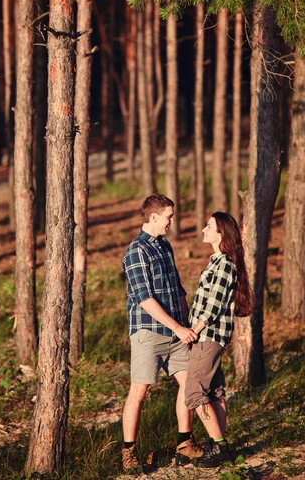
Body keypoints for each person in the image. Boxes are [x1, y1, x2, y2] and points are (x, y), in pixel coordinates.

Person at [121, 194, 202, 472]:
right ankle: (129, 452)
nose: (171, 221)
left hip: (177, 332)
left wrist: (186, 322)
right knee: (139, 392)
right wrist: (177, 327)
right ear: (153, 217)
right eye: (168, 216)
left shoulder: (165, 246)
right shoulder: (136, 251)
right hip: (149, 332)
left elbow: (177, 288)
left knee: (190, 385)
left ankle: (184, 444)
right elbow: (144, 299)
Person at [185, 212, 252, 468]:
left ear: (221, 233)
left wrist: (194, 330)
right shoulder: (217, 262)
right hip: (209, 336)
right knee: (213, 391)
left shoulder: (224, 263)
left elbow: (213, 305)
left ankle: (221, 447)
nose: (204, 229)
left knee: (193, 391)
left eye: (209, 226)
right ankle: (219, 445)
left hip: (208, 335)